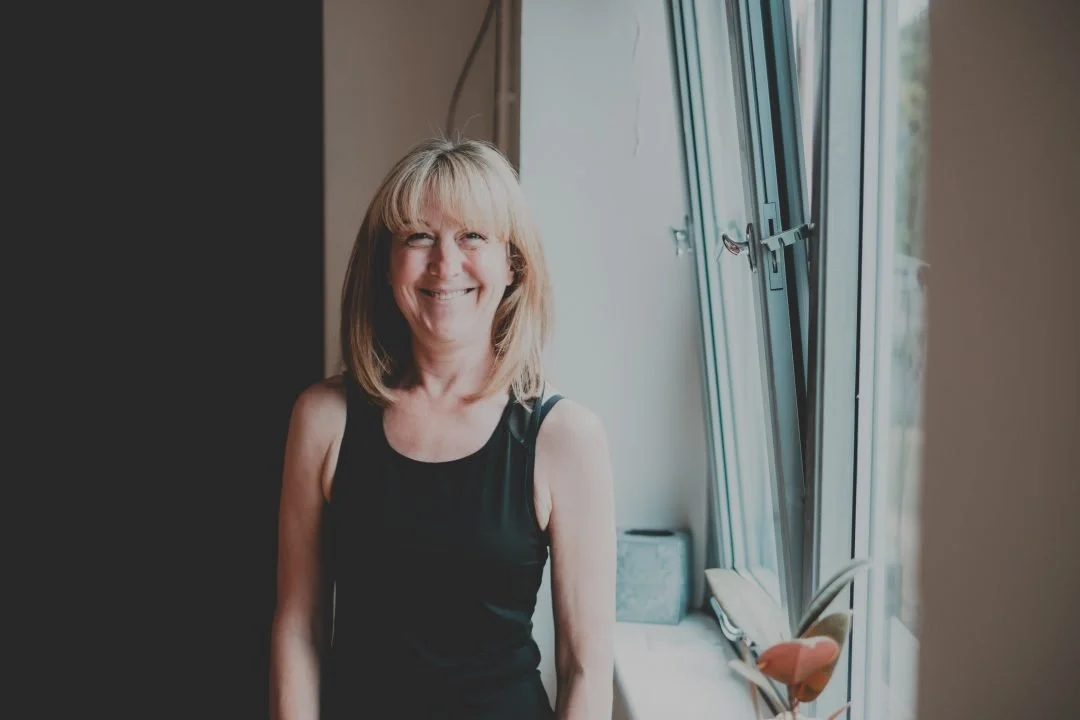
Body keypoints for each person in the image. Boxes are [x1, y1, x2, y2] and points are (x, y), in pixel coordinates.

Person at [270, 137, 616, 720]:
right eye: (418, 237)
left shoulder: (566, 439)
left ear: (513, 265)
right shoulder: (323, 419)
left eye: (472, 236)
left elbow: (585, 667)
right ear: (386, 264)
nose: (444, 264)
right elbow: (297, 630)